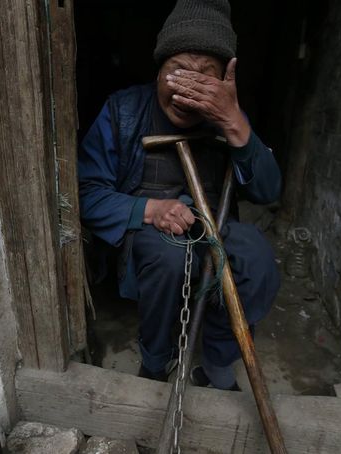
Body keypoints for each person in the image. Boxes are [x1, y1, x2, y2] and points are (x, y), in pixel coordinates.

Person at [78, 0, 281, 390]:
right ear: (158, 70)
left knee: (255, 255)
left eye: (205, 76)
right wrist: (150, 210)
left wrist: (236, 126)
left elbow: (268, 191)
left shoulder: (229, 115)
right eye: (178, 72)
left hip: (216, 225)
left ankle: (219, 362)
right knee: (170, 258)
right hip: (150, 234)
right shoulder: (122, 111)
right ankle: (156, 359)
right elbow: (87, 193)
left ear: (225, 81)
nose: (189, 90)